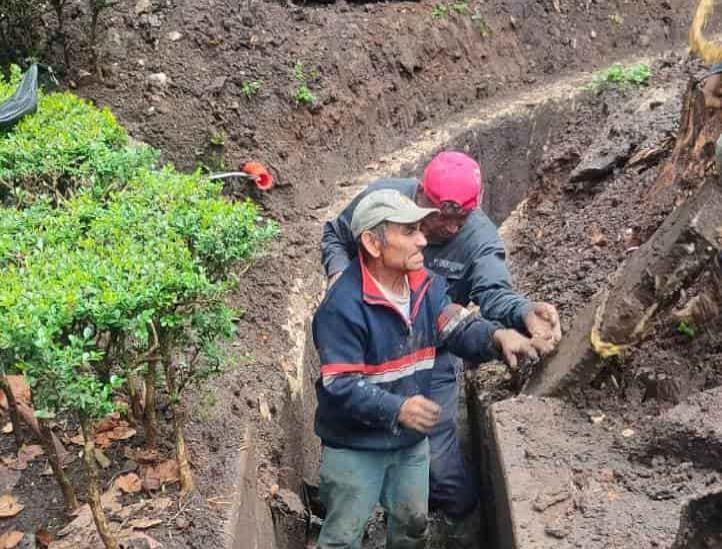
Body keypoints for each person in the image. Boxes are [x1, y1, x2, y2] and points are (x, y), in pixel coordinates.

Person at [320, 151, 561, 547]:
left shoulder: (432, 283)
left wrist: (505, 329)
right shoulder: (345, 304)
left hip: (426, 364)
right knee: (348, 509)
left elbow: (460, 316)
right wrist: (346, 283)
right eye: (425, 222)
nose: (436, 234)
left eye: (458, 221)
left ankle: (459, 522)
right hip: (363, 398)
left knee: (434, 469)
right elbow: (342, 386)